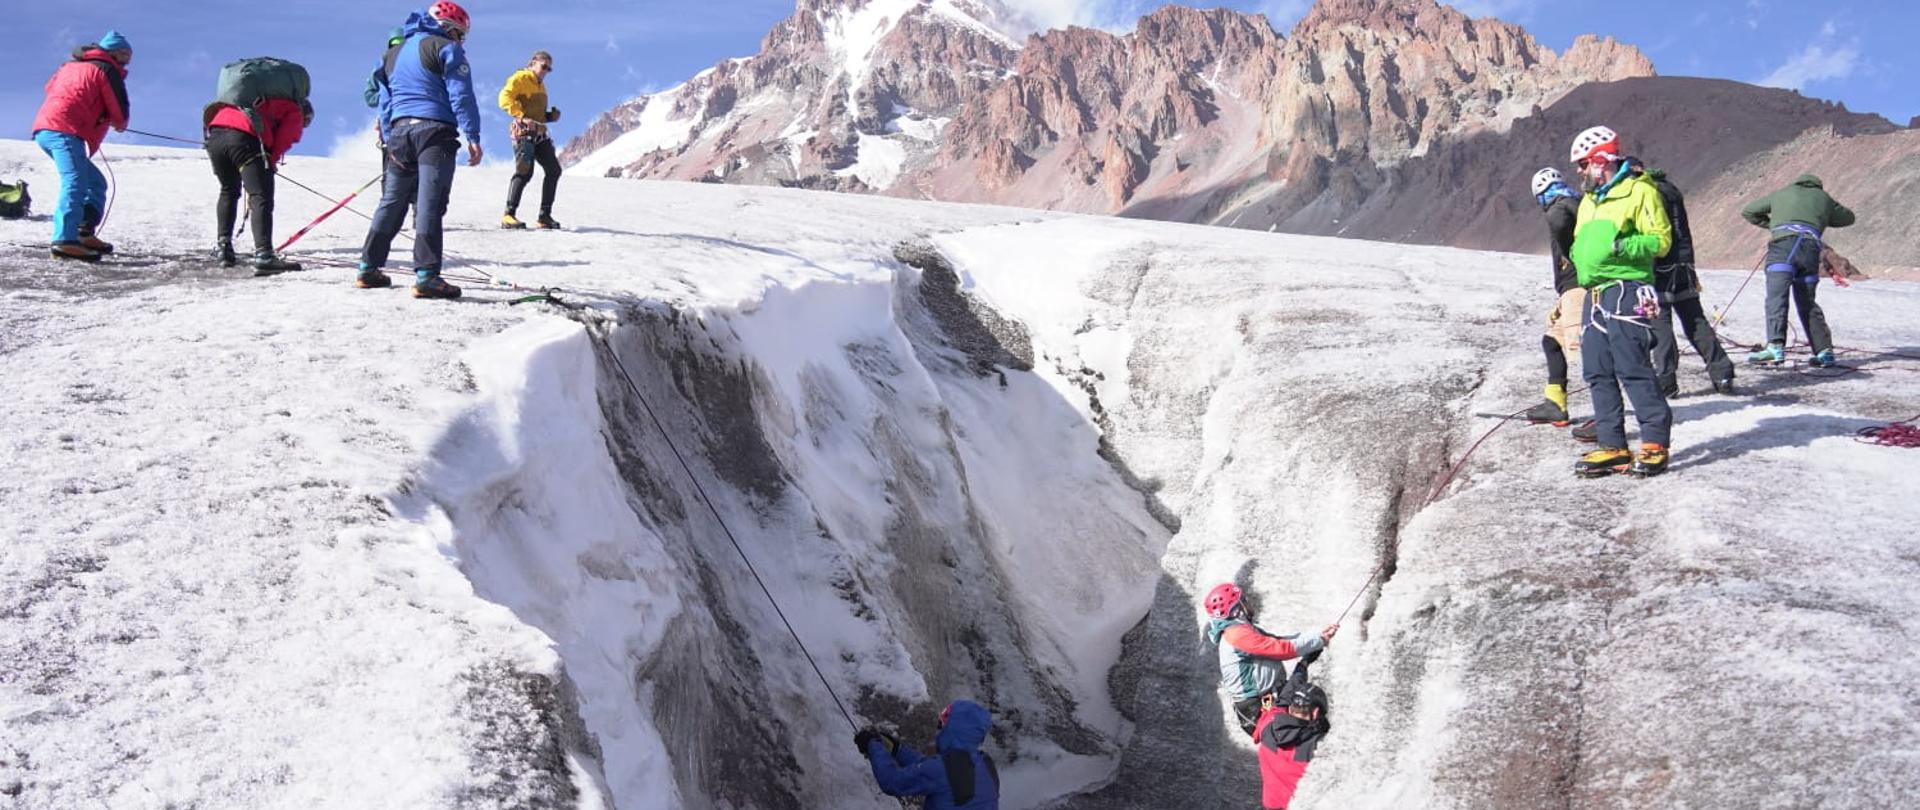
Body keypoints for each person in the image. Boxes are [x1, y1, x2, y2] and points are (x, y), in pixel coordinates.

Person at [1567, 125, 1673, 478]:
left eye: (1583, 164)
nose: (1580, 172)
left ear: (1600, 161)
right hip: (1595, 292)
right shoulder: (1588, 201)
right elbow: (1582, 240)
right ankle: (1612, 446)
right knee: (1597, 370)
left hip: (1628, 288)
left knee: (1632, 365)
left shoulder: (1639, 191)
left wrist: (1623, 247)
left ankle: (1655, 443)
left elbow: (1661, 240)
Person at [356, 1, 482, 299]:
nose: (461, 40)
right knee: (429, 201)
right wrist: (473, 135)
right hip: (435, 133)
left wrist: (388, 138)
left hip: (399, 134)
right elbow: (461, 94)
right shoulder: (445, 47)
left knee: (391, 201)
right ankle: (427, 276)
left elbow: (385, 102)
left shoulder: (392, 54)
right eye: (461, 34)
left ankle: (368, 267)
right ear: (449, 27)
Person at [29, 31, 132, 262]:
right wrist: (117, 122)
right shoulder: (106, 69)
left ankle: (82, 232)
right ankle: (65, 239)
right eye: (124, 53)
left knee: (95, 182)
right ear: (113, 52)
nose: (127, 59)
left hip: (48, 128)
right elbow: (120, 111)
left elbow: (51, 88)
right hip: (64, 129)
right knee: (75, 181)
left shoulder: (69, 66)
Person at [1740, 175, 1856, 367]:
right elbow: (1848, 218)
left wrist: (1775, 225)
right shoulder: (1823, 198)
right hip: (1810, 250)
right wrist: (1822, 217)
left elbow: (1749, 211)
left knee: (1777, 296)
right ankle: (1824, 351)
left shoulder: (1782, 193)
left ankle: (1775, 347)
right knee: (1807, 301)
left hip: (1783, 248)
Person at [1641, 168, 1735, 396]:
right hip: (1685, 265)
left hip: (1660, 266)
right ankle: (1722, 372)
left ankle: (1666, 381)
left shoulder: (1647, 191)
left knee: (1659, 322)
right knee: (1695, 321)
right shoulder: (1671, 189)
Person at [1204, 582, 1337, 735]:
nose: (1248, 603)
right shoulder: (1237, 635)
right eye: (1244, 600)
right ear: (1237, 608)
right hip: (1259, 708)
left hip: (1269, 697)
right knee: (1309, 704)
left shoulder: (1240, 630)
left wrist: (1318, 636)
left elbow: (1278, 641)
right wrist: (1318, 641)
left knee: (1310, 702)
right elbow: (1281, 649)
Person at [205, 88, 309, 273]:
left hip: (215, 135)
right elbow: (285, 138)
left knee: (229, 189)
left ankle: (223, 247)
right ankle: (264, 255)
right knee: (260, 195)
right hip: (245, 138)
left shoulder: (256, 99)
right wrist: (270, 162)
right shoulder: (295, 110)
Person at [1524, 167, 1584, 429]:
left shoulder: (1561, 206)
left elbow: (1559, 223)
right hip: (1570, 290)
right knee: (1552, 341)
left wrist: (1569, 259)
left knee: (1585, 354)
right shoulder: (1576, 203)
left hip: (1577, 288)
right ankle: (1555, 403)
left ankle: (1608, 418)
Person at [855, 700, 999, 809]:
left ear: (957, 728)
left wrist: (872, 744)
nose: (939, 725)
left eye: (944, 719)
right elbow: (931, 768)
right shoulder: (985, 763)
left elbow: (893, 782)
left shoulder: (943, 769)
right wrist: (898, 750)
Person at [1252, 648, 1331, 810]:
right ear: (1316, 712)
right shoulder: (1317, 747)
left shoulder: (1268, 725)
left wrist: (1303, 664)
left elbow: (1284, 698)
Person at [498, 51, 563, 229]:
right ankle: (508, 215)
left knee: (554, 170)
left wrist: (550, 116)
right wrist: (520, 115)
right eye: (544, 66)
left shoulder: (541, 86)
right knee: (525, 172)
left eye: (549, 69)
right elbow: (504, 98)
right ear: (533, 62)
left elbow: (538, 115)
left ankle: (544, 216)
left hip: (540, 134)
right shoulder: (520, 78)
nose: (546, 71)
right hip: (524, 133)